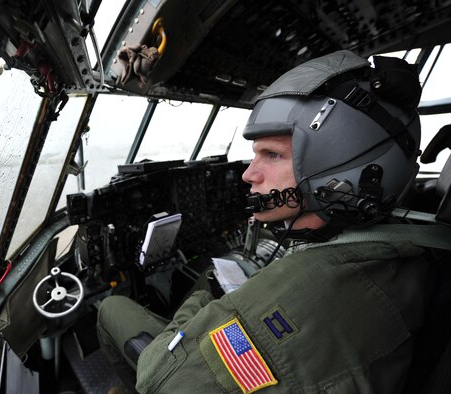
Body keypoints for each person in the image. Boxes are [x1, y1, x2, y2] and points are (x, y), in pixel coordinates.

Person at [97, 50, 432, 393]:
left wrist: (203, 301)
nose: (248, 174)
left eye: (272, 155)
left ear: (343, 171)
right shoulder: (403, 248)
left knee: (110, 306)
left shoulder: (305, 293)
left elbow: (160, 380)